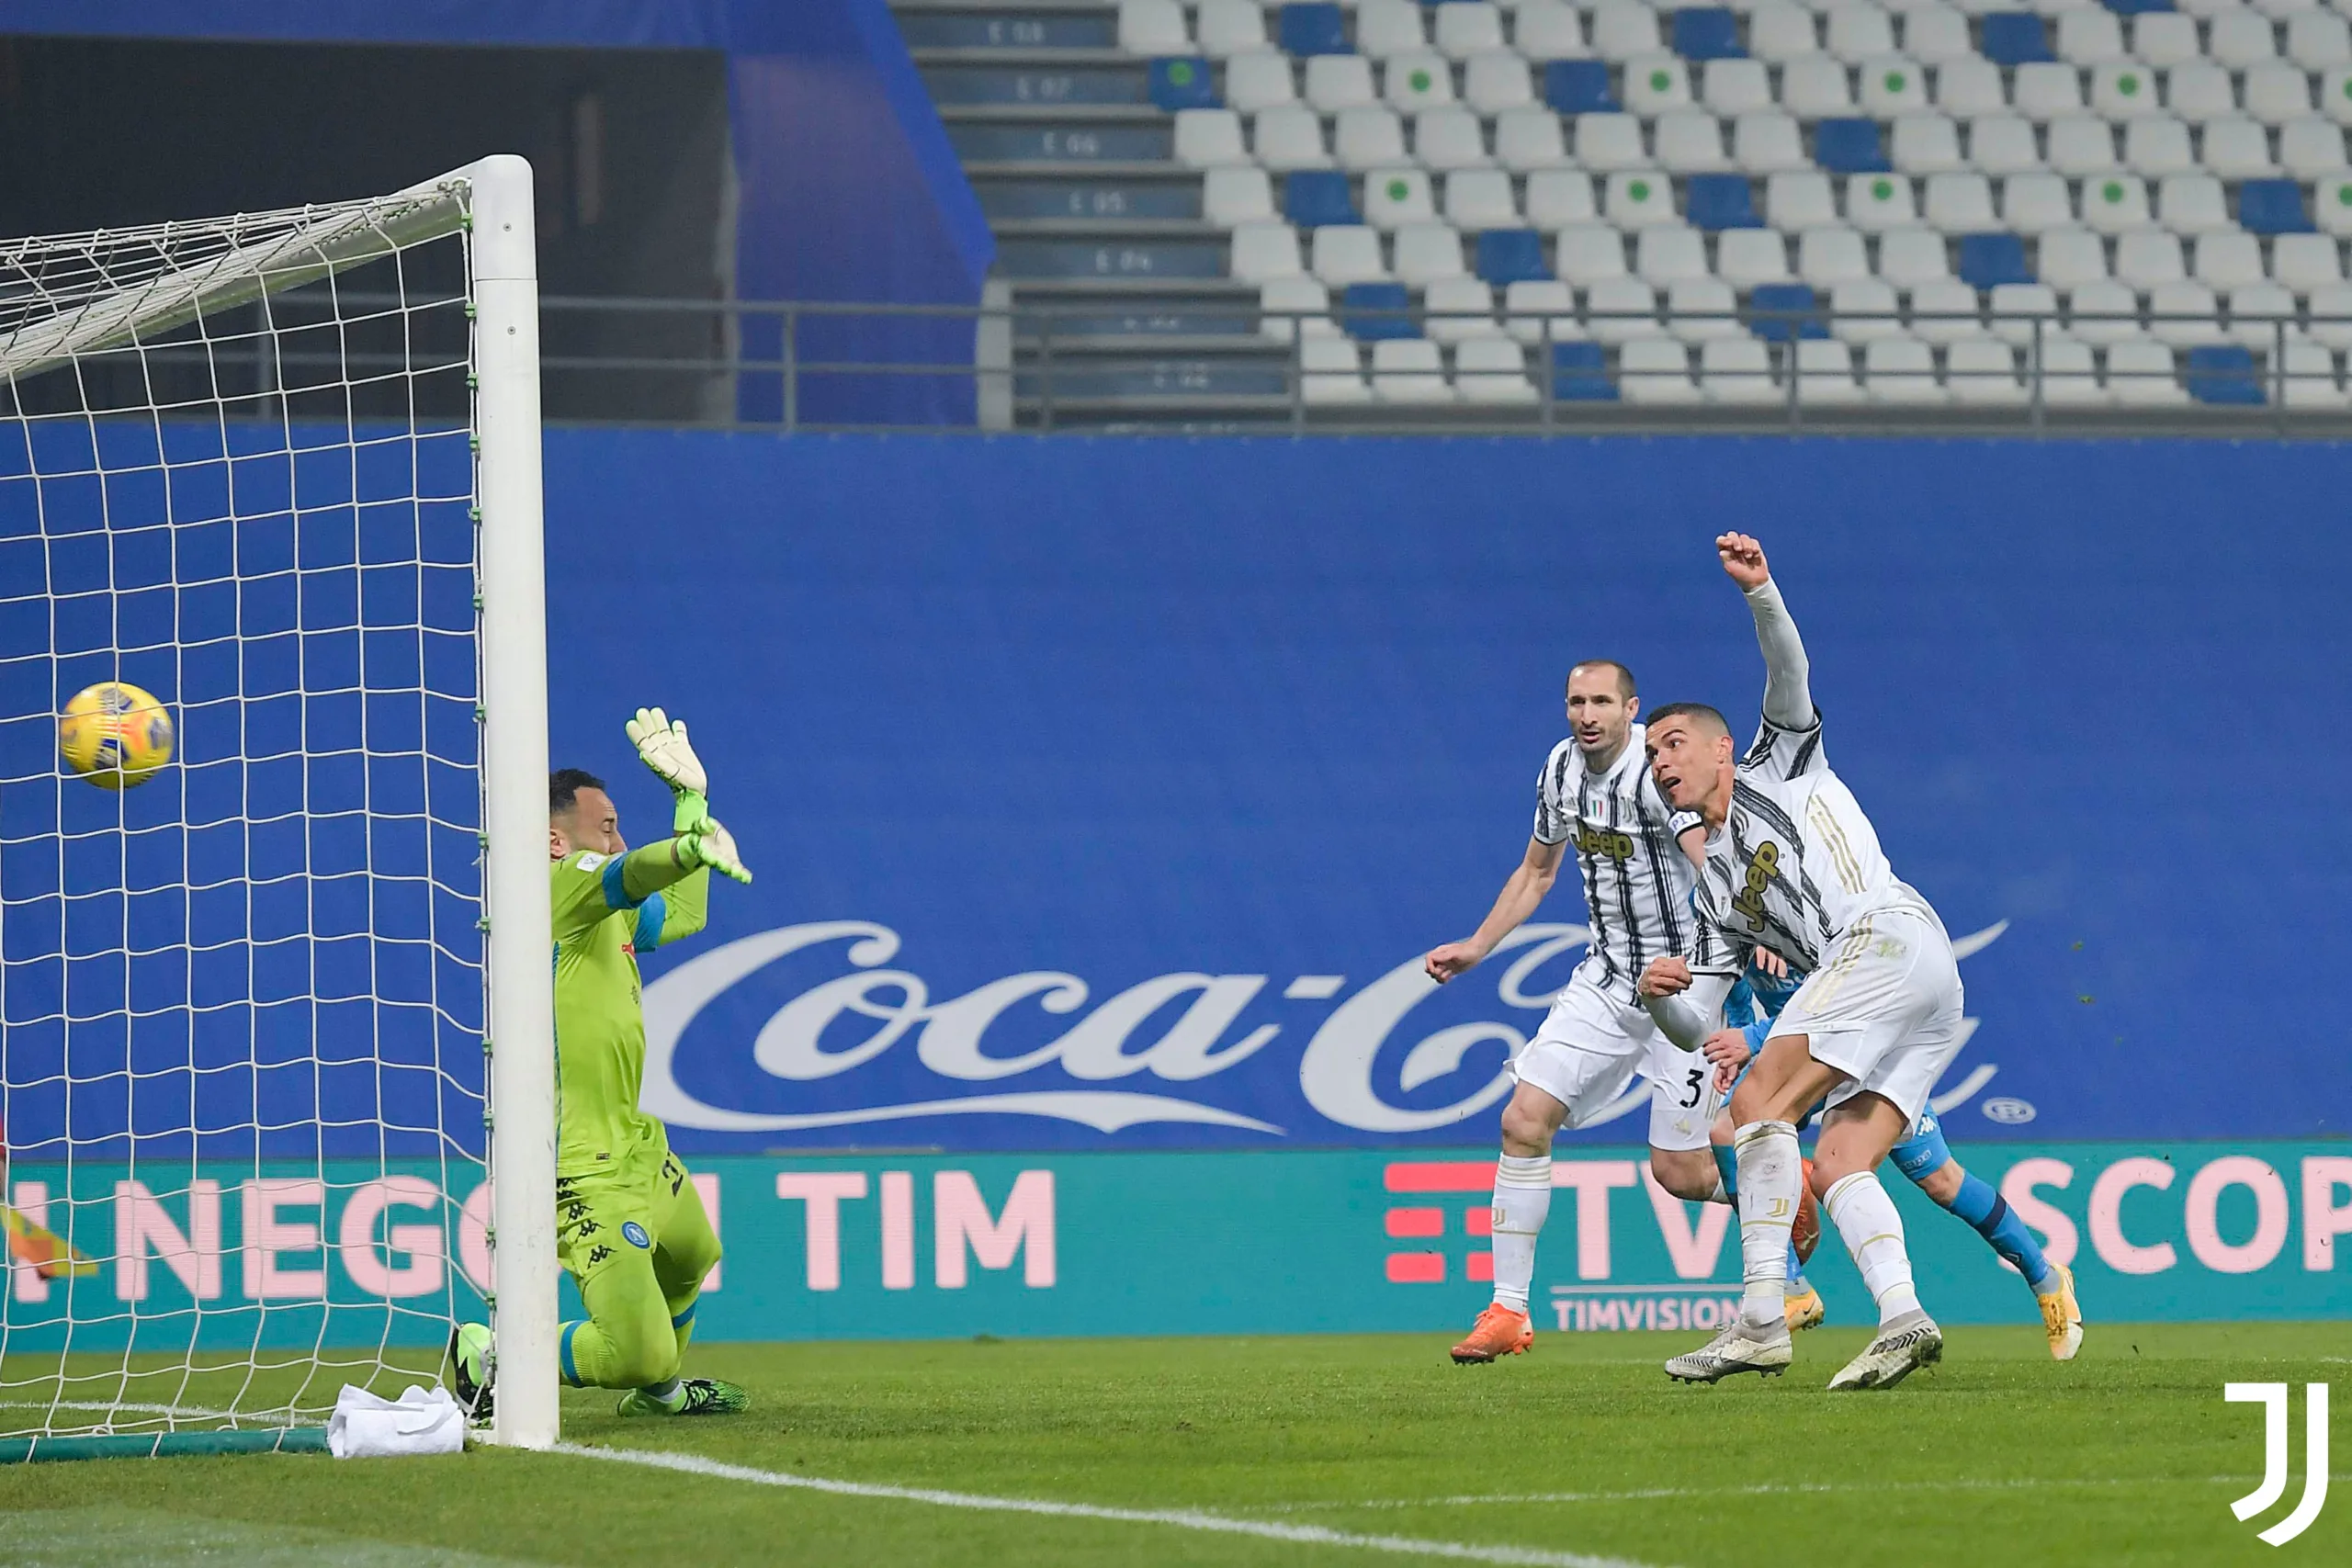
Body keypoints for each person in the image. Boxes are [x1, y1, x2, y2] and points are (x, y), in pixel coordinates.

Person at [1637, 532, 1968, 1391]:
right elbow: (1695, 1020)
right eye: (1652, 756)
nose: (1660, 761)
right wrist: (1658, 996)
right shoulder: (1714, 895)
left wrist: (1761, 592)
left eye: (1672, 743)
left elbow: (1788, 673)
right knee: (1845, 1160)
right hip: (1920, 976)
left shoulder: (1774, 765)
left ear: (1718, 748)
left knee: (1755, 1100)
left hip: (1884, 933)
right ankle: (1903, 1316)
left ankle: (1758, 1319)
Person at [1427, 660, 1752, 1365]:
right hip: (1608, 979)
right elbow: (1537, 870)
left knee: (1681, 1173)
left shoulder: (1658, 774)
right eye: (1575, 700)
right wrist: (1478, 945)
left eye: (1602, 700)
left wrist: (1752, 942)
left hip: (1686, 982)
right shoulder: (1559, 770)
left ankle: (1780, 1187)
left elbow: (1715, 862)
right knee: (1522, 1118)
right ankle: (1508, 1311)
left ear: (1631, 708)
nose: (1586, 713)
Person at [448, 708, 753, 1418]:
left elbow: (684, 911)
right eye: (605, 824)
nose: (616, 836)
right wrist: (685, 848)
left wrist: (692, 806)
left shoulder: (605, 908)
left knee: (693, 1254)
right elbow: (642, 869)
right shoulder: (551, 888)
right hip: (580, 1162)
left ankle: (662, 1397)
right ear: (556, 838)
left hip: (634, 1141)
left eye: (618, 823)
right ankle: (488, 1353)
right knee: (633, 1350)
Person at [1702, 983, 2083, 1359]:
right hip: (1804, 1057)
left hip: (1871, 1052)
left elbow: (1846, 995)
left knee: (1942, 1181)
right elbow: (1737, 1002)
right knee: (1727, 1131)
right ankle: (1790, 1286)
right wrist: (1742, 1059)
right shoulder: (1742, 931)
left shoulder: (1807, 927)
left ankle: (2046, 1279)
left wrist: (1753, 1037)